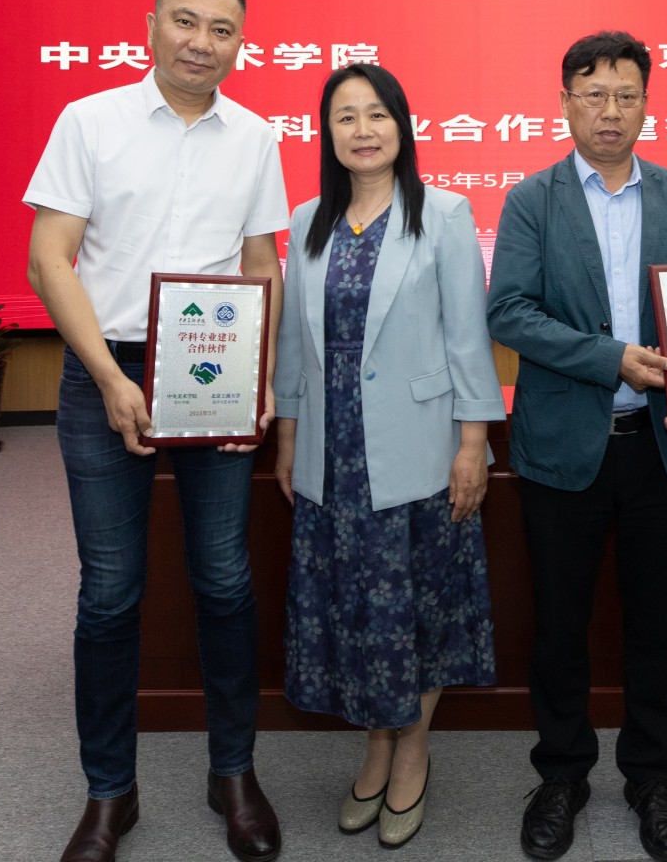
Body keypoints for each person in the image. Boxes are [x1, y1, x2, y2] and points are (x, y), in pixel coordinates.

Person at [24, 0, 287, 862]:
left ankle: (233, 773)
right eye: (186, 21)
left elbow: (261, 265)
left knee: (224, 579)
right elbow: (50, 258)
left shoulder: (255, 138)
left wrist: (259, 377)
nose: (201, 42)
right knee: (110, 593)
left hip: (213, 369)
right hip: (107, 367)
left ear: (240, 44)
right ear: (151, 26)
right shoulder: (89, 120)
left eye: (222, 29)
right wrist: (108, 377)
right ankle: (110, 792)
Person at [486, 30, 667, 862]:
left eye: (625, 95)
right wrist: (610, 358)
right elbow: (509, 311)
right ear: (565, 103)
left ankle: (652, 775)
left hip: (660, 447)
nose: (610, 111)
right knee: (559, 623)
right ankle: (562, 773)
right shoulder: (531, 199)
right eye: (593, 95)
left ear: (647, 103)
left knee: (657, 623)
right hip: (563, 447)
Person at [272, 63, 504, 849]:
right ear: (327, 133)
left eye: (377, 114)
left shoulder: (443, 214)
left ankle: (411, 750)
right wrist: (288, 433)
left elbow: (467, 338)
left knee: (420, 612)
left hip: (419, 451)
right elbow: (294, 344)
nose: (363, 130)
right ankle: (377, 742)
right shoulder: (308, 218)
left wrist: (473, 443)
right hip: (332, 457)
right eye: (346, 117)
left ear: (402, 127)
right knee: (357, 615)